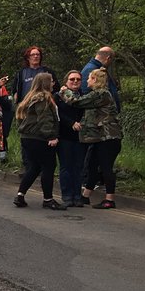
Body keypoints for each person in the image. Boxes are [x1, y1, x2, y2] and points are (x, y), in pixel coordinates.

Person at [62, 67, 122, 209]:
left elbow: (77, 101)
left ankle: (109, 199)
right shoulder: (96, 94)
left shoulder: (101, 94)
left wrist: (64, 91)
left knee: (106, 167)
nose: (86, 81)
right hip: (99, 138)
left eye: (88, 78)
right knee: (92, 165)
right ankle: (86, 196)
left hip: (109, 137)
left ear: (94, 80)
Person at [12, 71, 65, 209]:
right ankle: (48, 199)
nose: (54, 83)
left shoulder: (30, 97)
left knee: (34, 167)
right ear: (46, 83)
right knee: (48, 167)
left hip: (28, 138)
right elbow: (45, 120)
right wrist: (51, 136)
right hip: (39, 138)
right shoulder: (43, 98)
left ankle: (20, 195)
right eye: (52, 81)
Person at [56, 70, 87, 206]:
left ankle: (77, 195)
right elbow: (58, 114)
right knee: (66, 166)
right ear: (66, 82)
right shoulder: (59, 96)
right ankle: (67, 195)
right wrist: (71, 123)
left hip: (80, 137)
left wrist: (82, 123)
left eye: (78, 79)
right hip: (64, 136)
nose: (75, 82)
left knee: (78, 166)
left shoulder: (84, 96)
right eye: (72, 79)